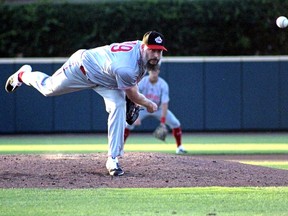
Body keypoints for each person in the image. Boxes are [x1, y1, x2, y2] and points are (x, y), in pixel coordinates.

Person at [5, 31, 167, 176]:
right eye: (152, 50)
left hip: (106, 79)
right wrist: (148, 104)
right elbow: (133, 93)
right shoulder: (126, 66)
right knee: (48, 88)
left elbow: (132, 84)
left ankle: (113, 159)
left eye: (159, 51)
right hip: (81, 69)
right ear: (143, 47)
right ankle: (23, 75)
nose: (156, 55)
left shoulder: (142, 55)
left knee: (118, 105)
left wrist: (135, 100)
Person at [124, 67, 187, 154]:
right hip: (143, 107)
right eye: (152, 70)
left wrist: (163, 121)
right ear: (149, 71)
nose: (154, 72)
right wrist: (136, 113)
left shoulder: (163, 84)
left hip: (158, 108)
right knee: (127, 124)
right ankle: (120, 148)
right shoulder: (143, 82)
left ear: (158, 71)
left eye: (155, 70)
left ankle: (179, 147)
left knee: (175, 123)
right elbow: (134, 96)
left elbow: (165, 103)